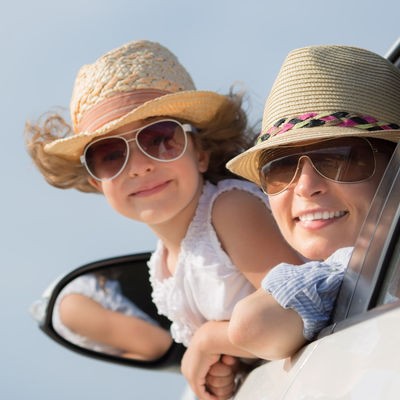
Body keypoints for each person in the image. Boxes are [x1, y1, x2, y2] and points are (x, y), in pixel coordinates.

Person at [25, 40, 301, 399]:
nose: (139, 166)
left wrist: (209, 340)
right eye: (110, 155)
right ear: (97, 182)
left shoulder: (229, 208)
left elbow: (300, 306)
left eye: (159, 139)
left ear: (200, 152)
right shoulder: (164, 264)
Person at [223, 44, 400, 361]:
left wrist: (209, 340)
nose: (306, 187)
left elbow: (251, 326)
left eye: (340, 159)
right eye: (280, 167)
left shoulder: (351, 269)